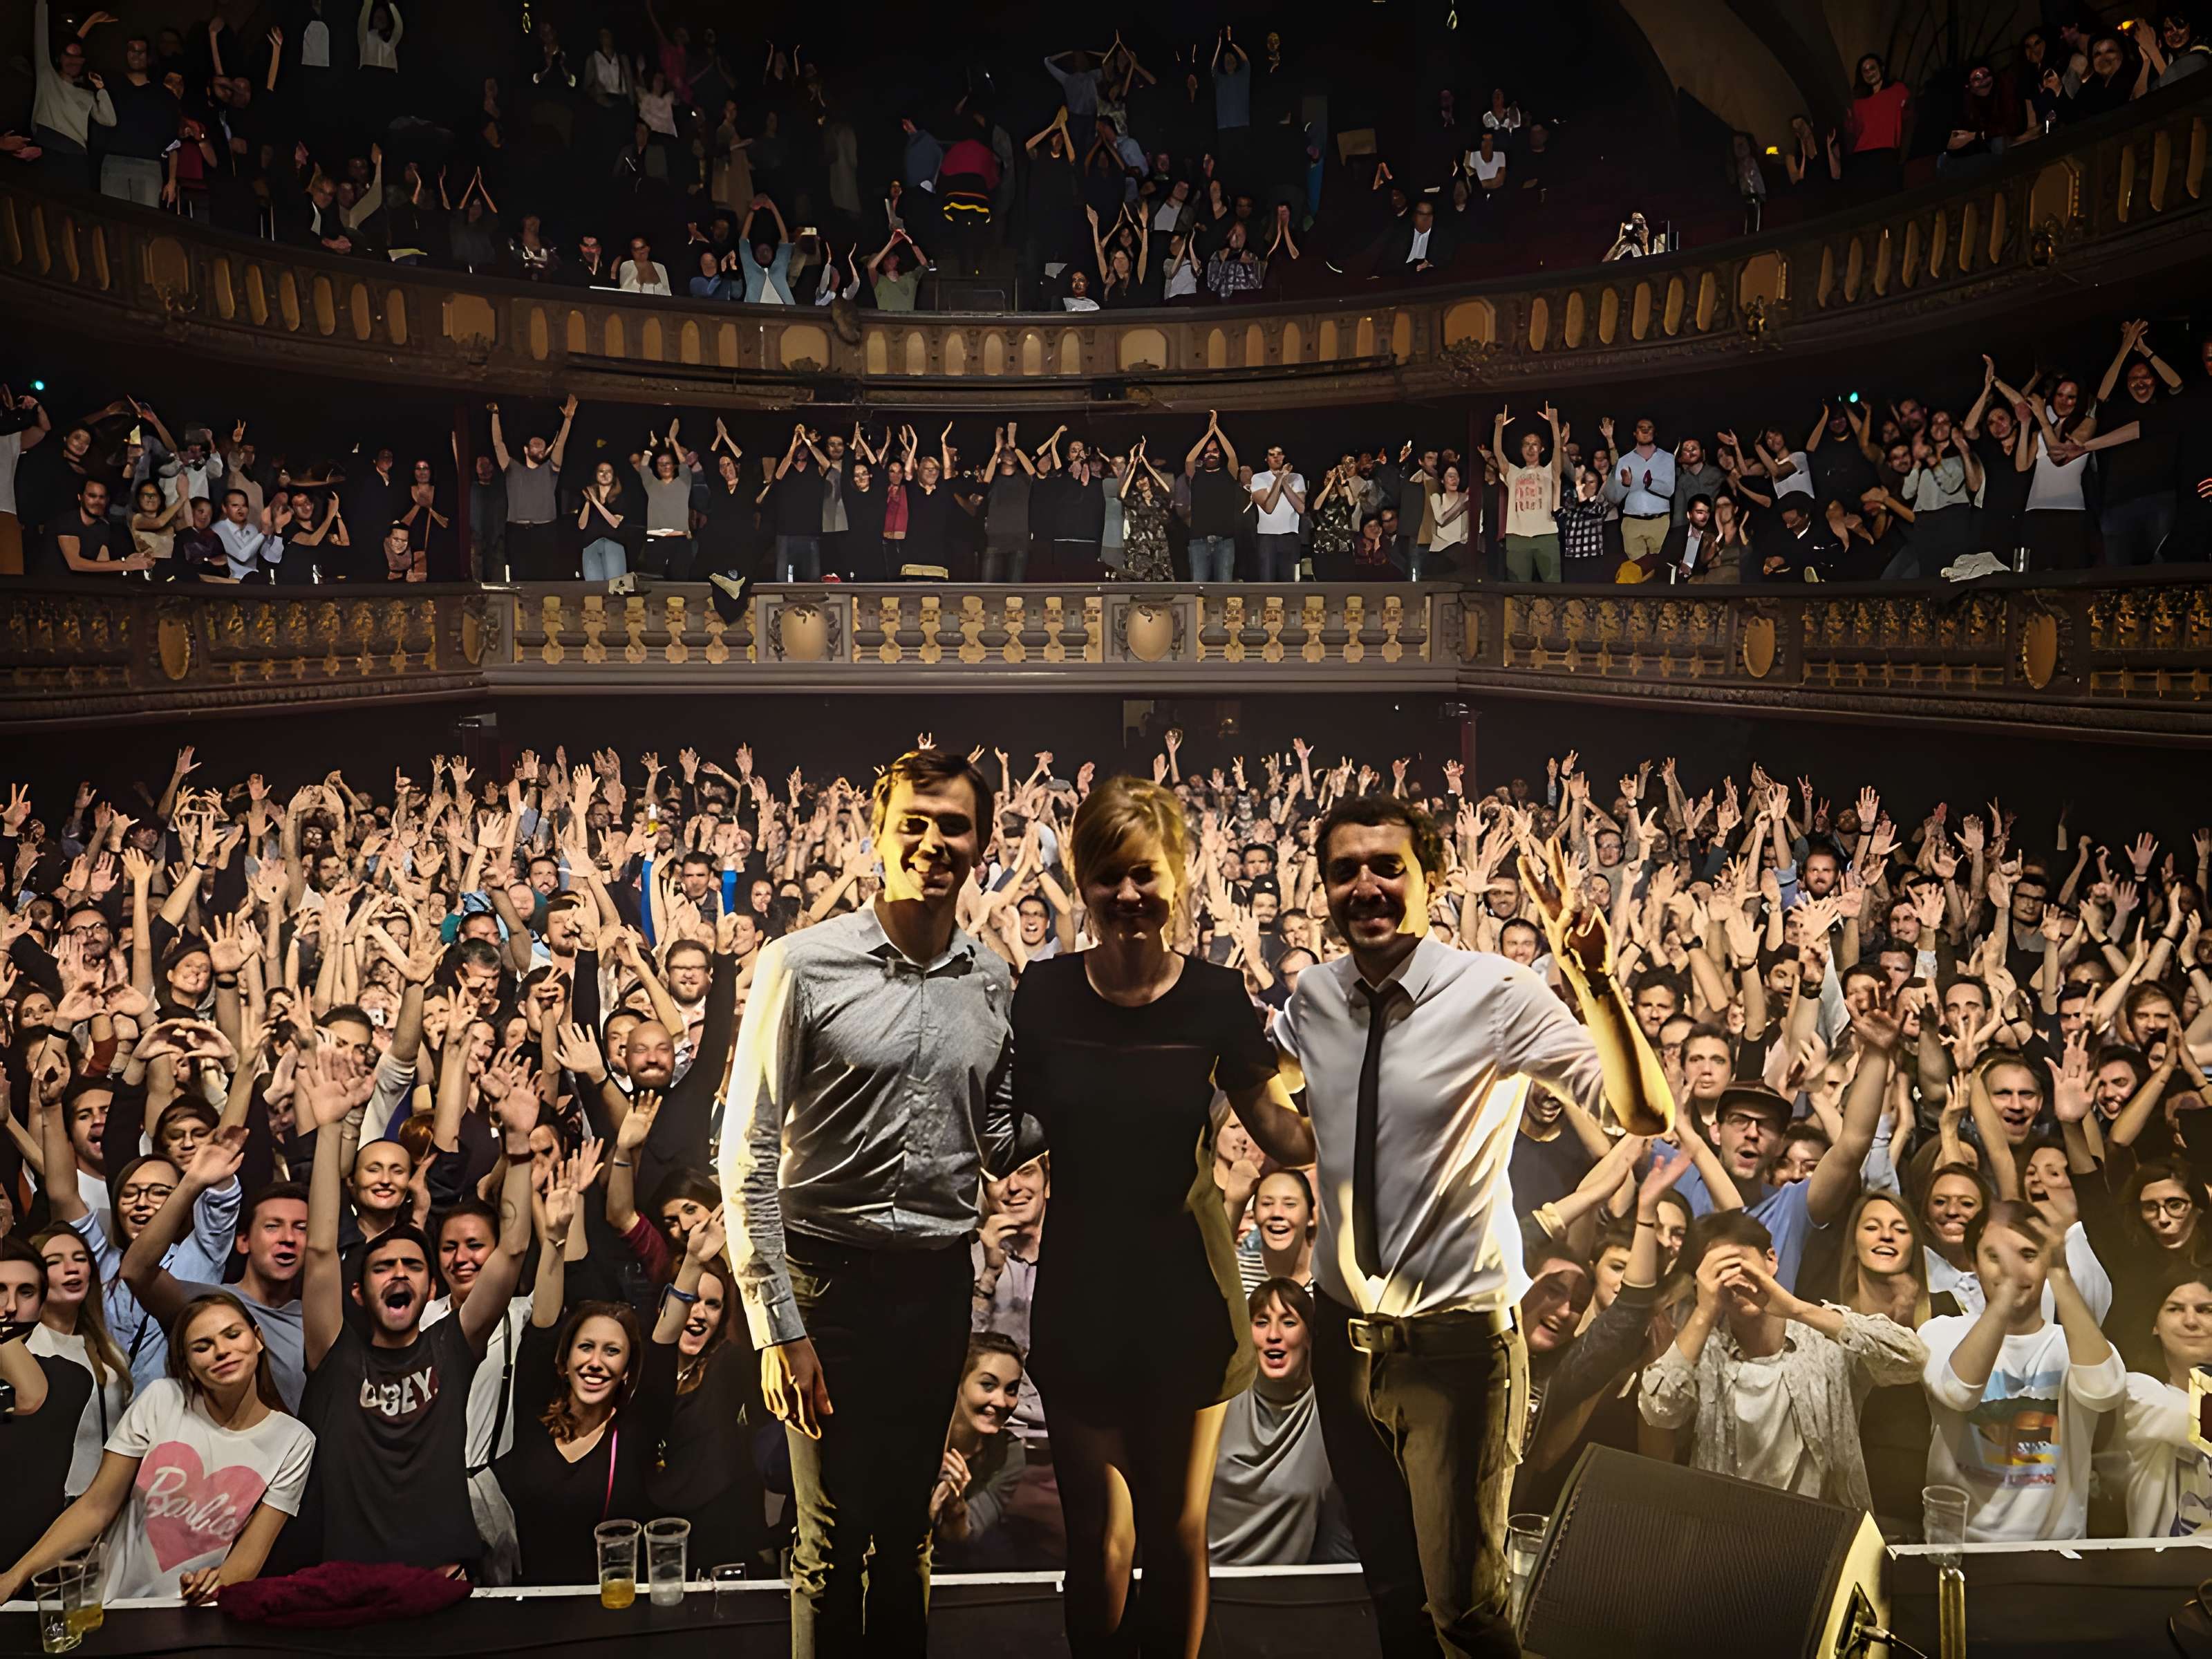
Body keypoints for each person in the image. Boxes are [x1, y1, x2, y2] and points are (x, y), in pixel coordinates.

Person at [1273, 803, 1671, 1658]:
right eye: (1344, 870)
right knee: (1393, 1601)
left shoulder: (1495, 994)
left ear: (1432, 881)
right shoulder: (1313, 998)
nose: (1364, 887)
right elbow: (1263, 1075)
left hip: (1456, 1354)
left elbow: (1642, 1110)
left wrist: (1593, 979)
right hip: (1343, 1346)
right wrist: (1282, 1126)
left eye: (1387, 867)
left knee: (1468, 1616)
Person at [723, 744, 1033, 1657]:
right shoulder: (801, 966)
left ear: (981, 843)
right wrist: (777, 1328)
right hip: (823, 1285)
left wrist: (1114, 1095)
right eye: (916, 823)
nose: (935, 842)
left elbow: (1000, 1138)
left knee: (905, 1534)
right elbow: (746, 1156)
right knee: (828, 1539)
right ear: (879, 835)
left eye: (955, 826)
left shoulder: (992, 977)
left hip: (936, 1283)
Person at [1010, 774, 1312, 1657]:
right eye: (1108, 875)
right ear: (1082, 882)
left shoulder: (1215, 999)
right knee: (1097, 1541)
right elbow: (1001, 1126)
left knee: (1177, 1536)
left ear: (1177, 876)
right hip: (1079, 1287)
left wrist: (1373, 1081)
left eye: (1145, 874)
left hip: (1186, 1289)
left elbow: (1280, 1133)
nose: (1128, 895)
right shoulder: (1044, 993)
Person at [300, 1042, 536, 1569]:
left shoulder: (451, 1346)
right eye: (383, 1267)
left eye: (413, 1266)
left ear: (432, 1290)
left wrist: (518, 1141)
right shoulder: (336, 1359)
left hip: (443, 1578)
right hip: (354, 1581)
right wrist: (329, 1131)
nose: (399, 1273)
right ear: (358, 1293)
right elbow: (318, 1254)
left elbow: (513, 1250)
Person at [0, 1293, 314, 1606]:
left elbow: (250, 1554)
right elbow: (96, 1506)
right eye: (202, 1347)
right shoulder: (163, 1399)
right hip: (113, 1605)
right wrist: (14, 1577)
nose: (222, 1352)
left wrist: (213, 1585)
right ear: (188, 1365)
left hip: (197, 1613)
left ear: (257, 1339)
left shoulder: (294, 1440)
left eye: (233, 1335)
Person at [1638, 1210, 1925, 1507]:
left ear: (1771, 1260)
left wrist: (1796, 1309)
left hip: (1820, 1532)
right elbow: (1658, 1411)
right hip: (1724, 1529)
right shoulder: (1703, 1351)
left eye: (1740, 1266)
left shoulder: (1823, 1339)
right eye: (1718, 1273)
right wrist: (1704, 1312)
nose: (1735, 1281)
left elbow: (1913, 1359)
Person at [492, 1152, 682, 1586]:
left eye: (612, 1352)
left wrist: (689, 1268)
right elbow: (543, 1326)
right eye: (586, 1348)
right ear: (565, 1361)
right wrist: (555, 1240)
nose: (596, 1362)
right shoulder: (535, 1416)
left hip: (610, 1614)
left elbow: (666, 1340)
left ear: (628, 1371)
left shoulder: (635, 1430)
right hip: (532, 1613)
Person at [1920, 1199, 2125, 1541]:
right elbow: (1960, 1393)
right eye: (1995, 1257)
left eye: (2028, 1256)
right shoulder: (1940, 1332)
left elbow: (2105, 1392)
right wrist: (2005, 1294)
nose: (2011, 1269)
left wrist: (2060, 1272)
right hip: (1959, 1549)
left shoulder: (2071, 1343)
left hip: (2057, 1553)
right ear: (1973, 1263)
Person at [1209, 1277, 1353, 1566]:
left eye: (1288, 1322)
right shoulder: (1219, 1404)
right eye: (1262, 1323)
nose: (1274, 1335)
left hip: (1298, 1594)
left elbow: (1341, 1542)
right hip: (1210, 1585)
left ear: (1310, 1336)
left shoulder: (1333, 1411)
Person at [930, 1333, 1027, 1567]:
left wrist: (955, 1508)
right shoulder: (919, 1438)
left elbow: (965, 1538)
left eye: (1011, 1390)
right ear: (959, 1383)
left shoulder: (1007, 1453)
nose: (1002, 1402)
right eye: (988, 1385)